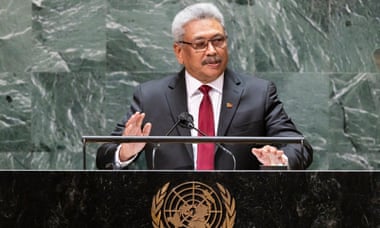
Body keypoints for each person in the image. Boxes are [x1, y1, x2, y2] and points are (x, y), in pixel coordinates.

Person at [96, 3, 313, 170]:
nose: (212, 51)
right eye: (200, 44)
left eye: (218, 41)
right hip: (171, 211)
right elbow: (104, 154)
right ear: (179, 52)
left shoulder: (259, 93)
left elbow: (299, 146)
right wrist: (125, 151)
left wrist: (280, 160)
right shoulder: (151, 96)